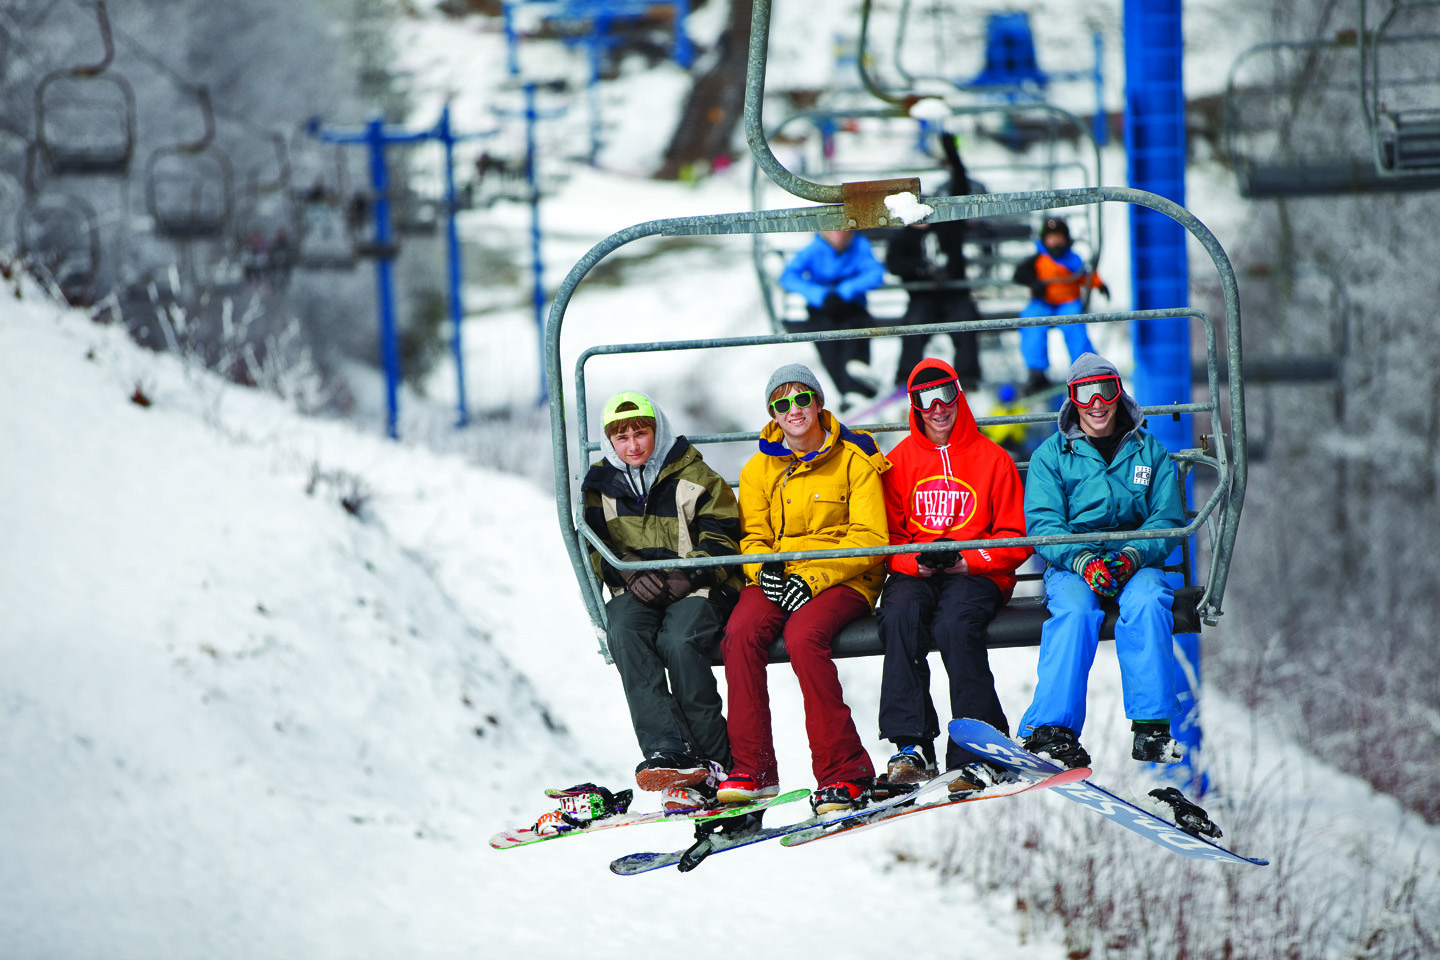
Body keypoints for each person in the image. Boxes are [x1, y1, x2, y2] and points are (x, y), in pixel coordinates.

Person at [717, 363, 891, 815]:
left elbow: (872, 539)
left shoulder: (855, 460)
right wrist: (763, 570)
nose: (792, 410)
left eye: (800, 399)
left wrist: (812, 579)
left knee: (803, 637)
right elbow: (752, 539)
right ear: (772, 414)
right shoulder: (758, 470)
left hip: (847, 576)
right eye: (781, 403)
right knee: (740, 632)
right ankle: (753, 769)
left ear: (818, 403)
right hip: (783, 575)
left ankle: (844, 772)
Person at [1016, 353, 1186, 771]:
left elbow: (1166, 518)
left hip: (1135, 560)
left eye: (1105, 390)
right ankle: (1052, 728)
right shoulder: (1052, 456)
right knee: (1075, 610)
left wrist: (1133, 555)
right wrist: (1082, 558)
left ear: (1118, 393)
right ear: (1071, 400)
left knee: (1148, 600)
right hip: (1075, 563)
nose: (1096, 403)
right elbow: (1044, 522)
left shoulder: (1151, 453)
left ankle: (1151, 726)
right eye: (1084, 393)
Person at [581, 391, 744, 810]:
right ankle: (670, 753)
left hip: (701, 583)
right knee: (624, 630)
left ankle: (717, 762)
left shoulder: (694, 474)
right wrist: (625, 573)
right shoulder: (600, 485)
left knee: (679, 640)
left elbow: (723, 533)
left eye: (641, 432)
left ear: (658, 430)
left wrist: (684, 575)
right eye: (622, 438)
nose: (633, 445)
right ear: (609, 443)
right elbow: (595, 545)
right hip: (638, 588)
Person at [876, 359, 1032, 794]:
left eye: (946, 394)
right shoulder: (900, 462)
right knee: (899, 614)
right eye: (927, 400)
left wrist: (972, 559)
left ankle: (977, 748)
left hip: (977, 572)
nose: (939, 407)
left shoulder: (992, 458)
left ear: (959, 394)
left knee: (954, 623)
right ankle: (912, 744)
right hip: (919, 570)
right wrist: (914, 562)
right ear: (914, 406)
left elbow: (1015, 537)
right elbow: (888, 537)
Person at [883, 134, 983, 391]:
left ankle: (969, 377)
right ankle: (905, 377)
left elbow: (960, 188)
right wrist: (920, 269)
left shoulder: (949, 227)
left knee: (966, 320)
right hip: (923, 296)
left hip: (954, 292)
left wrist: (952, 153)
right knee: (914, 324)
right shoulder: (904, 237)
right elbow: (893, 263)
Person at [779, 230, 886, 405]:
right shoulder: (813, 249)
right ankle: (849, 393)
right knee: (827, 345)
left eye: (843, 228)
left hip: (852, 307)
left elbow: (875, 273)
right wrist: (819, 294)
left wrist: (846, 289)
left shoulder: (859, 246)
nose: (839, 233)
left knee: (855, 338)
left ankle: (857, 389)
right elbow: (788, 276)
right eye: (832, 229)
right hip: (822, 310)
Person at [1013, 217, 1108, 395]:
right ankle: (1036, 371)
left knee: (1074, 326)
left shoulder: (1073, 260)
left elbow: (1086, 275)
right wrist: (1034, 283)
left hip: (1067, 302)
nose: (1055, 242)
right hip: (1043, 302)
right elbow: (1019, 274)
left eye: (1059, 237)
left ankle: (1087, 368)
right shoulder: (1039, 259)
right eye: (1051, 238)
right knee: (1031, 322)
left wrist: (1100, 284)